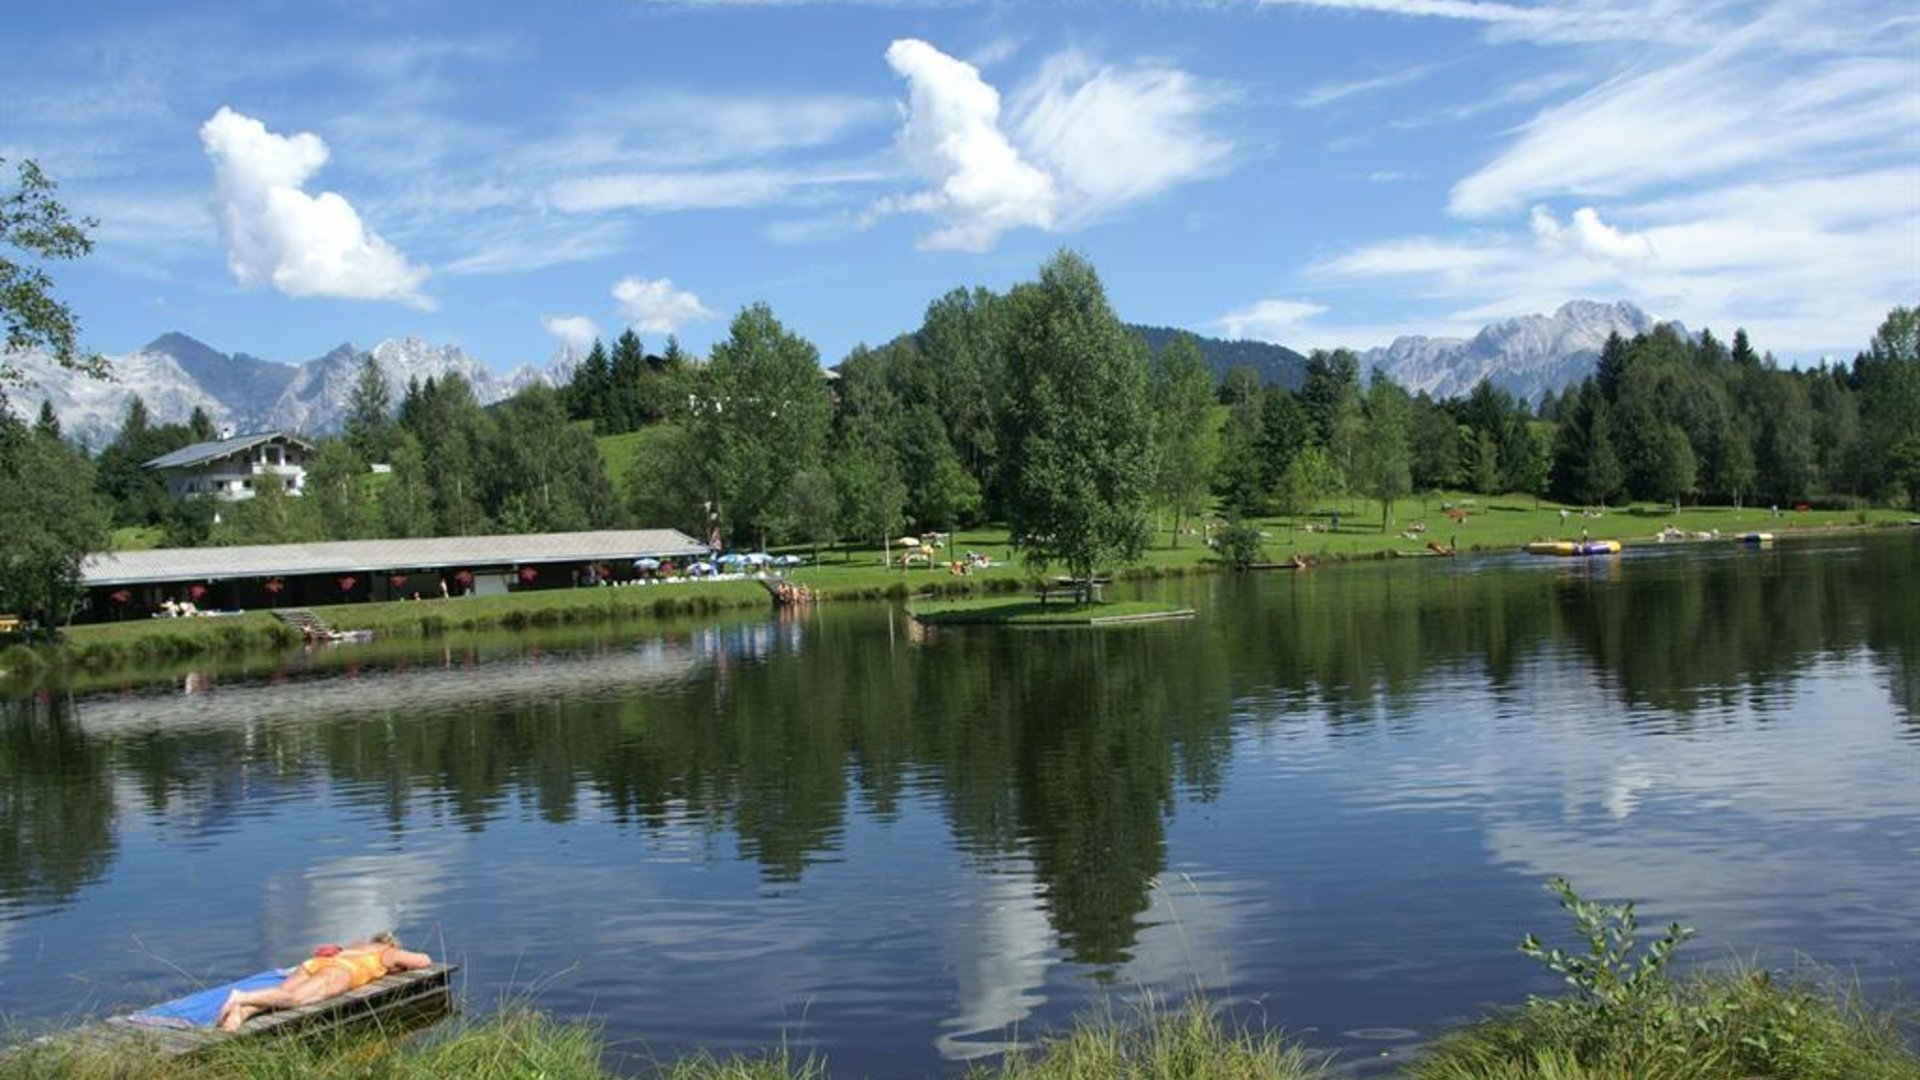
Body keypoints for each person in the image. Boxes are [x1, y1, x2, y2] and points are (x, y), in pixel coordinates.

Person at [216, 932, 433, 1031]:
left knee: (279, 997)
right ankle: (241, 996)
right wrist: (397, 964)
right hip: (340, 972)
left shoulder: (356, 945)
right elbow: (423, 961)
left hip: (314, 964)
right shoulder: (388, 952)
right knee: (294, 1000)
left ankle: (242, 1012)